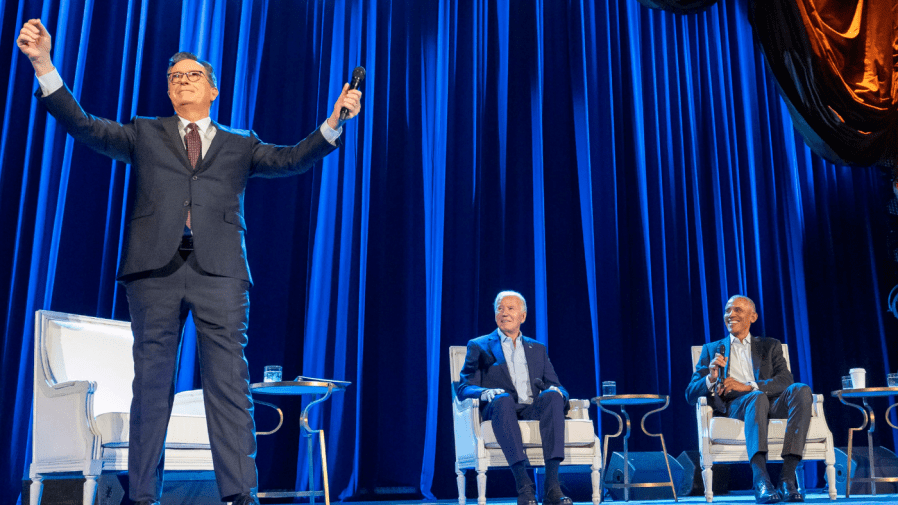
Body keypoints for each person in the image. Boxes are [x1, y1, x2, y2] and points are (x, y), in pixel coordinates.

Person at [17, 18, 361, 505]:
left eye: (192, 75)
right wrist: (43, 64)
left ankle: (240, 496)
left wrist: (333, 122)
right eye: (174, 77)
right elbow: (85, 126)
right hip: (152, 274)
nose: (181, 81)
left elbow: (291, 159)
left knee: (230, 386)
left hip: (220, 273)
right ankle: (142, 496)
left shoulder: (240, 143)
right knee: (151, 387)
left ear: (214, 90)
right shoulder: (144, 132)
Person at [686, 295, 812, 503]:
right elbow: (690, 393)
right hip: (736, 405)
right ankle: (761, 481)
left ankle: (787, 479)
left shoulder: (770, 346)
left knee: (801, 389)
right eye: (727, 311)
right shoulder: (711, 349)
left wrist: (748, 386)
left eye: (737, 310)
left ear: (752, 317)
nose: (731, 315)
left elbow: (785, 380)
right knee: (756, 398)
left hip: (770, 400)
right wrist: (710, 378)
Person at [457, 291, 572, 505]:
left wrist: (560, 394)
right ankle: (524, 487)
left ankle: (552, 487)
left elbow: (556, 384)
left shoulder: (537, 348)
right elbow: (463, 387)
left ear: (523, 316)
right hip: (500, 407)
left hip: (531, 407)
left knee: (553, 397)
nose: (504, 313)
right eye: (500, 308)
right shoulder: (479, 345)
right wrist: (485, 393)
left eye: (510, 309)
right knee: (503, 398)